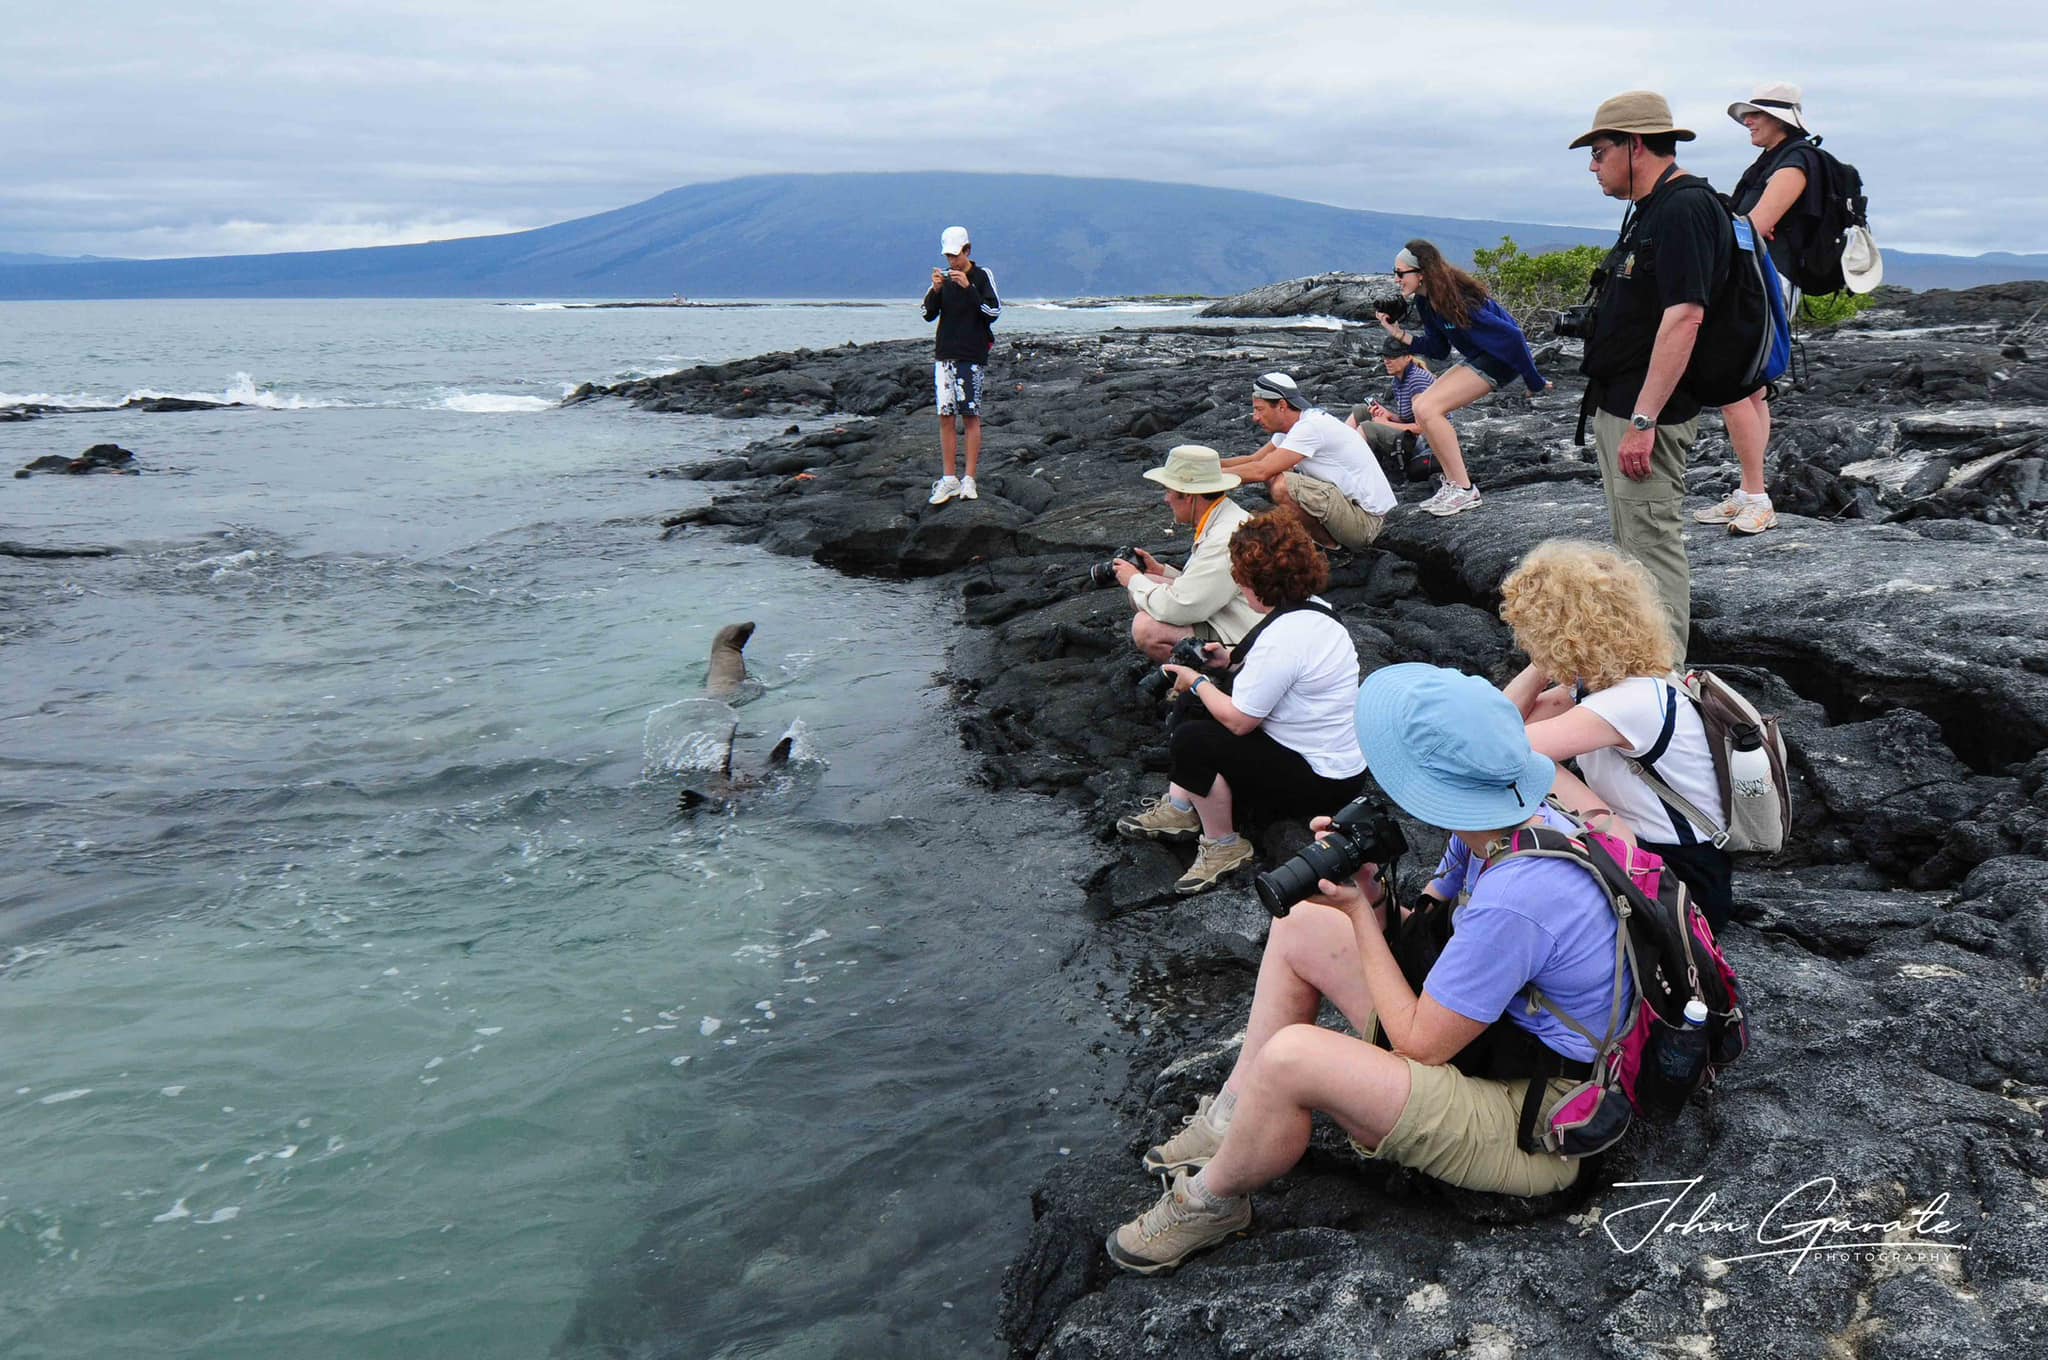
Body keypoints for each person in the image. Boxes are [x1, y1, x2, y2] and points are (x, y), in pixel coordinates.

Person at [1105, 665, 1631, 1274]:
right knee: (1301, 924)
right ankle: (1233, 1115)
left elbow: (1418, 1044)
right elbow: (1429, 931)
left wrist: (1357, 914)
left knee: (1294, 1058)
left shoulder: (1520, 895)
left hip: (1540, 1124)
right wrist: (1372, 894)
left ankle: (1212, 1200)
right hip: (1498, 1047)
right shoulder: (1508, 821)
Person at [1114, 510, 1366, 896]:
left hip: (1320, 782)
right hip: (1338, 764)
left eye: (1241, 580)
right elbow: (1279, 668)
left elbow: (1239, 722)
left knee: (1193, 737)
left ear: (1258, 583)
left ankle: (1224, 845)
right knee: (1197, 707)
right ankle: (1181, 808)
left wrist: (1196, 680)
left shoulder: (1284, 638)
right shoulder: (1313, 608)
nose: (1239, 588)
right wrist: (1227, 659)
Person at [1497, 539, 1734, 931]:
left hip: (1683, 884)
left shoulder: (1630, 702)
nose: (1525, 641)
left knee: (1528, 764)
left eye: (1533, 633)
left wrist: (1547, 656)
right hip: (1664, 860)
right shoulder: (1610, 685)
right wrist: (1545, 664)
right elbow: (1505, 720)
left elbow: (1504, 747)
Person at [1571, 90, 1732, 659]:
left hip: (1649, 414)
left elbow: (1686, 315)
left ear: (1634, 145)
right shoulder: (1653, 208)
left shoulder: (1686, 207)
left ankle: (1664, 685)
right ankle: (1642, 668)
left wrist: (1644, 419)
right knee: (1632, 544)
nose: (1593, 166)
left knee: (1651, 542)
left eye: (1598, 151)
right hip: (1624, 404)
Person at [1696, 83, 1824, 539]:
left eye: (1755, 114)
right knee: (1751, 390)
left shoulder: (1796, 161)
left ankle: (1756, 498)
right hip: (1757, 281)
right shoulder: (1773, 160)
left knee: (1734, 383)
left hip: (1764, 284)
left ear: (1782, 119)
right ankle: (1750, 489)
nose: (1747, 121)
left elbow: (1757, 224)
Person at [1373, 239, 1550, 517]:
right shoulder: (1426, 301)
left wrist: (1534, 380)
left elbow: (1513, 336)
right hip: (1479, 358)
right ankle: (1453, 484)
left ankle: (1465, 490)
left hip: (1498, 360)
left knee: (1430, 409)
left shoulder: (1455, 297)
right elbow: (1439, 349)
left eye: (1400, 273)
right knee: (1421, 406)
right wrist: (1398, 334)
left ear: (1421, 273)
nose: (1396, 279)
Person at [1114, 445, 1260, 662]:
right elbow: (1214, 585)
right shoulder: (1227, 517)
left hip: (1250, 636)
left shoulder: (1223, 538)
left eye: (1169, 491)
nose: (1166, 499)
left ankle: (1208, 680)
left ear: (1190, 496)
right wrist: (1162, 571)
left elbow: (1182, 609)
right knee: (1149, 580)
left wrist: (1132, 579)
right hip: (1242, 615)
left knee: (1145, 627)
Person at [1218, 373, 1396, 551]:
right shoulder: (1294, 426)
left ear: (1281, 405)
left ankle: (1330, 549)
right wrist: (1207, 464)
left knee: (1282, 485)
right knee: (1275, 474)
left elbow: (1261, 470)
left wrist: (1207, 478)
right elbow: (1255, 460)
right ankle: (1318, 540)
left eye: (1259, 409)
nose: (1255, 417)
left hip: (1370, 523)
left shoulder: (1310, 427)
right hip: (1355, 511)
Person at [922, 225, 1000, 505]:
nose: (951, 262)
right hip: (945, 354)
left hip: (971, 355)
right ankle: (948, 479)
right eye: (948, 256)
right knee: (945, 416)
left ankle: (969, 479)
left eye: (956, 255)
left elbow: (993, 312)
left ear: (968, 251)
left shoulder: (981, 276)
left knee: (970, 415)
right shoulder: (943, 280)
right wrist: (934, 290)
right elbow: (927, 314)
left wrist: (969, 289)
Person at [1348, 335, 1438, 485]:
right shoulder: (1400, 377)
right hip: (1414, 436)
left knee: (1367, 428)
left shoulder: (1417, 381)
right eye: (1385, 356)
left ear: (1408, 356)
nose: (1387, 361)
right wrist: (1390, 416)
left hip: (1427, 445)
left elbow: (1423, 427)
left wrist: (1386, 423)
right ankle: (1341, 455)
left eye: (1393, 356)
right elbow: (1411, 418)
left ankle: (1354, 475)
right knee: (1362, 410)